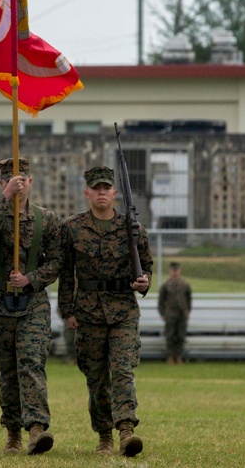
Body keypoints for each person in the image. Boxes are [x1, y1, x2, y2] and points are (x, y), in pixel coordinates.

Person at [59, 166, 152, 457]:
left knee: (123, 371)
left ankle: (126, 431)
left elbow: (147, 265)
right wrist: (67, 310)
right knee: (97, 378)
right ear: (87, 192)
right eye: (95, 188)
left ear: (115, 193)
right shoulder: (72, 228)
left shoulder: (132, 229)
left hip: (123, 309)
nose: (101, 192)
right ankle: (104, 436)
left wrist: (144, 282)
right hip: (88, 313)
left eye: (106, 188)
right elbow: (65, 272)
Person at [0, 157, 62, 455]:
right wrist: (6, 198)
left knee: (31, 363)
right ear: (2, 183)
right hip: (0, 303)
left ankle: (37, 427)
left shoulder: (46, 219)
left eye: (23, 178)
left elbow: (56, 262)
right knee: (8, 369)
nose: (19, 183)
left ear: (32, 181)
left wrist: (30, 278)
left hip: (32, 303)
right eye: (12, 179)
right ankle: (12, 432)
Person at [158, 261, 191, 364]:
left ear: (179, 271)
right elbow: (161, 301)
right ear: (170, 271)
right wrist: (162, 313)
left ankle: (179, 356)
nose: (175, 272)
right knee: (170, 335)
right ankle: (170, 356)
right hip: (170, 313)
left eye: (176, 270)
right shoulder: (166, 285)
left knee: (181, 335)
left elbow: (188, 299)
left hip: (182, 313)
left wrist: (187, 311)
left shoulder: (185, 284)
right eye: (173, 270)